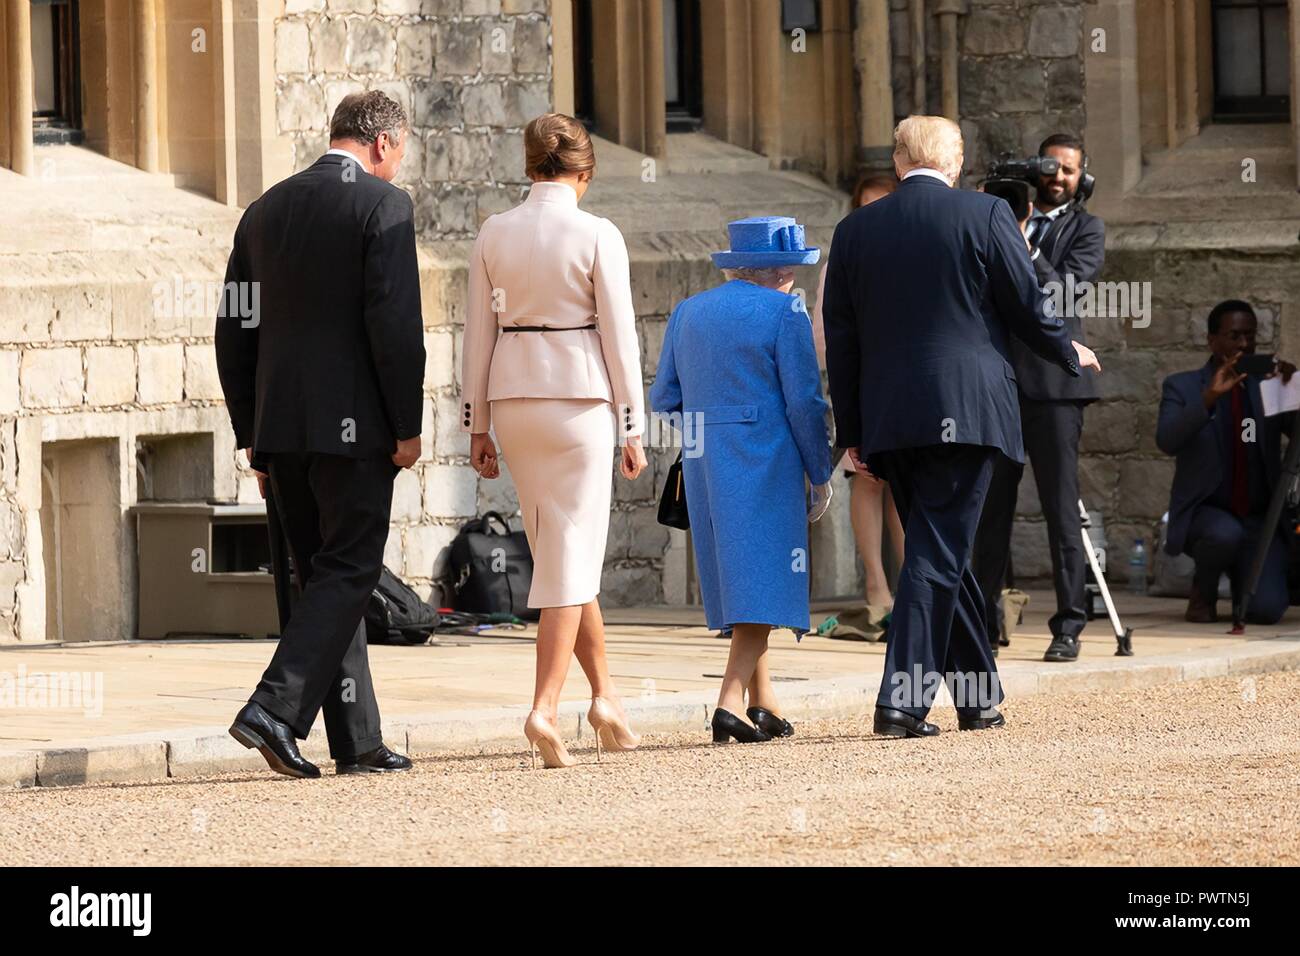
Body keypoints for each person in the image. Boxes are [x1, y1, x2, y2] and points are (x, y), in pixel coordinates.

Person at [821, 116, 1100, 738]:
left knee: (942, 553)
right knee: (937, 553)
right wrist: (1066, 351)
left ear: (899, 163)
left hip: (893, 418)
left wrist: (854, 430)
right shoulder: (985, 215)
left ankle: (977, 699)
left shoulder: (854, 229)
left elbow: (843, 340)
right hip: (967, 411)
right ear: (955, 163)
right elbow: (1026, 301)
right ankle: (902, 702)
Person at [215, 91, 425, 778]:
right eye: (401, 152)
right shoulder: (382, 207)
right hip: (356, 430)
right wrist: (406, 426)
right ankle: (274, 710)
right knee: (349, 570)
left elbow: (234, 328)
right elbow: (395, 330)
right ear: (384, 143)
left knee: (323, 580)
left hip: (282, 430)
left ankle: (357, 740)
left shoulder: (262, 212)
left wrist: (252, 433)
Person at [461, 113, 648, 769]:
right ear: (585, 171)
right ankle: (544, 708)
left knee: (564, 555)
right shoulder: (598, 233)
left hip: (513, 401)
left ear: (530, 166)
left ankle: (605, 699)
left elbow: (476, 336)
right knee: (569, 560)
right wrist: (634, 424)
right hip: (579, 402)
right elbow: (621, 338)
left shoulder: (494, 232)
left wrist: (476, 422)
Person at [650, 216, 833, 744]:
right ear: (781, 271)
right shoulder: (786, 311)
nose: (797, 280)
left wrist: (711, 425)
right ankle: (729, 702)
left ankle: (764, 701)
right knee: (766, 577)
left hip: (707, 461)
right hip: (768, 460)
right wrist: (819, 470)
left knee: (743, 578)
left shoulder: (690, 311)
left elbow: (665, 398)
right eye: (794, 270)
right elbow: (804, 401)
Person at [972, 133, 1105, 663]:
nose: (1057, 177)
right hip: (1001, 384)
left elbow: (1067, 293)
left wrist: (1025, 248)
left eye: (1068, 170)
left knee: (1060, 508)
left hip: (1054, 388)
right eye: (1049, 167)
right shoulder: (995, 216)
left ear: (1083, 178)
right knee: (990, 511)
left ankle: (1069, 623)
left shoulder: (1086, 228)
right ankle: (982, 623)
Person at [1157, 300, 1296, 625]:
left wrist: (1293, 392)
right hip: (1207, 516)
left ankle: (1243, 585)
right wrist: (1209, 398)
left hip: (1257, 521)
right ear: (1212, 340)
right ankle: (1203, 591)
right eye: (1234, 336)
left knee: (1266, 610)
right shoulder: (1183, 386)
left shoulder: (1268, 386)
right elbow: (1167, 440)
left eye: (1250, 336)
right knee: (1224, 535)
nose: (1244, 345)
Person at [812, 174, 905, 610]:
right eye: (864, 206)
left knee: (905, 482)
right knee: (867, 480)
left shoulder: (915, 256)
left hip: (907, 384)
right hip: (863, 385)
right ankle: (876, 585)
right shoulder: (841, 261)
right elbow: (822, 334)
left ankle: (912, 586)